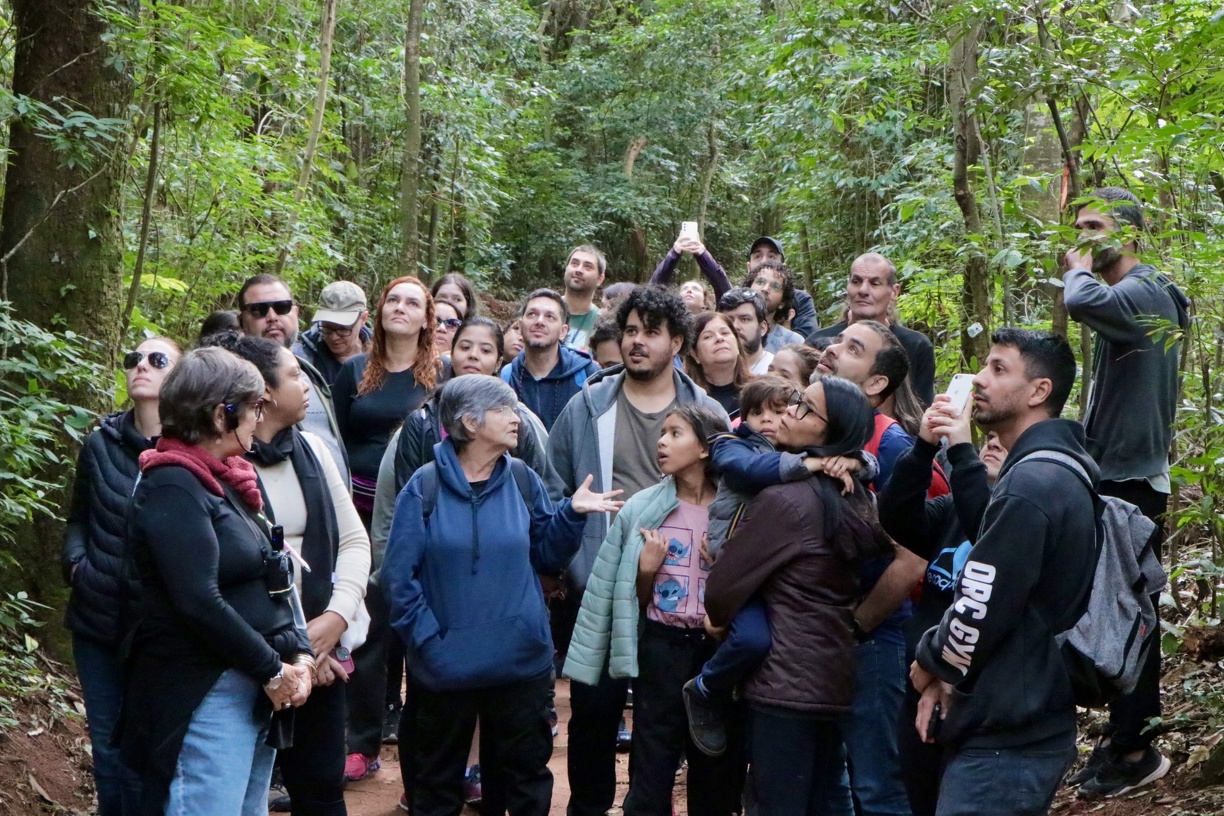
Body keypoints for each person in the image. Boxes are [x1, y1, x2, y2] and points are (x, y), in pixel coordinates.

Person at [383, 376, 623, 816]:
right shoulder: (424, 486)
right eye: (504, 410)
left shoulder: (523, 478)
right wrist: (430, 642)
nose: (517, 419)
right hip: (445, 666)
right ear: (470, 423)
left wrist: (571, 514)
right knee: (435, 785)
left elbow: (547, 554)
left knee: (524, 782)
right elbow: (399, 580)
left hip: (520, 662)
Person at [548, 285, 728, 816]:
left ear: (677, 343)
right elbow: (556, 487)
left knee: (671, 723)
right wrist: (571, 564)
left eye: (651, 332)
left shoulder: (706, 411)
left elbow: (733, 492)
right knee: (594, 714)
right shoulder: (587, 406)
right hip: (604, 587)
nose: (636, 341)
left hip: (685, 602)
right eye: (629, 331)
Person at [911, 329, 1097, 816]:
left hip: (1010, 737)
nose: (979, 379)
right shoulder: (1055, 469)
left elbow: (981, 602)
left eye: (998, 369)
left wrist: (930, 661)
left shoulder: (1032, 485)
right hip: (1018, 716)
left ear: (1039, 391)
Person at [120, 347, 314, 815]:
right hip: (206, 690)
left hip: (252, 684)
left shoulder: (226, 478)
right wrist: (272, 670)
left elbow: (273, 573)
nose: (259, 417)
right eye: (254, 406)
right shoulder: (173, 484)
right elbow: (197, 600)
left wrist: (300, 654)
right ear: (218, 415)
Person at [704, 376, 894, 816]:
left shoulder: (786, 501)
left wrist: (723, 617)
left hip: (783, 681)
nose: (789, 411)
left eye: (804, 407)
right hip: (834, 675)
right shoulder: (857, 496)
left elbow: (722, 587)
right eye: (796, 401)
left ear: (830, 432)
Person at [208, 333, 372, 816]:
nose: (307, 386)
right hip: (252, 655)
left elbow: (354, 540)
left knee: (321, 787)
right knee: (243, 791)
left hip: (320, 650)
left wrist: (335, 622)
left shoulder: (314, 449)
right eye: (295, 375)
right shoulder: (219, 463)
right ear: (264, 391)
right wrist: (295, 646)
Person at [1062, 188, 1190, 798]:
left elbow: (1080, 298)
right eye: (1080, 227)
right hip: (1117, 473)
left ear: (1131, 233)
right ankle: (1123, 736)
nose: (1084, 238)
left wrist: (1078, 270)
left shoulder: (1146, 290)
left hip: (1132, 481)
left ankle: (1137, 747)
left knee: (1130, 613)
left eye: (1095, 226)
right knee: (1117, 610)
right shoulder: (1138, 294)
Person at [564, 405, 747, 816]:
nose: (661, 441)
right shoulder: (643, 507)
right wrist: (645, 571)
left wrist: (722, 566)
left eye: (675, 433)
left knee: (715, 760)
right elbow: (628, 598)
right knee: (653, 753)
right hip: (662, 646)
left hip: (716, 650)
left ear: (705, 448)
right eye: (661, 432)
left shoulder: (734, 510)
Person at [680, 377, 873, 759]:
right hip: (735, 565)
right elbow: (755, 469)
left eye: (784, 407)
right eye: (757, 412)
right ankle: (704, 688)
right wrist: (812, 462)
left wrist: (854, 460)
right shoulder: (731, 445)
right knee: (752, 639)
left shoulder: (824, 479)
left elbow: (873, 467)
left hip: (799, 635)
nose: (774, 418)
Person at [815, 319, 938, 816]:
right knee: (828, 781)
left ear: (875, 383)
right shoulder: (811, 435)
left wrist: (857, 625)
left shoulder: (891, 447)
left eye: (852, 349)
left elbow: (914, 558)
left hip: (871, 640)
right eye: (837, 340)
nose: (831, 350)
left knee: (877, 783)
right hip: (815, 638)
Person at [63, 337, 182, 816]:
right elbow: (78, 518)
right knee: (108, 752)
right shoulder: (100, 443)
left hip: (161, 632)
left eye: (157, 360)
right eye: (134, 359)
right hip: (98, 621)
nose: (141, 366)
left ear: (180, 376)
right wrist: (77, 565)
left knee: (151, 753)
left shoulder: (190, 448)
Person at [331, 275, 441, 782]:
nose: (400, 307)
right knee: (367, 624)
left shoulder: (439, 375)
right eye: (392, 299)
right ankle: (361, 742)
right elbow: (334, 440)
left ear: (427, 318)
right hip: (357, 510)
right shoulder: (354, 371)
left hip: (416, 512)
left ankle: (425, 747)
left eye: (412, 302)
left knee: (417, 624)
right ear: (377, 313)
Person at [878, 402, 1005, 816]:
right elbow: (896, 517)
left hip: (979, 699)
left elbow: (989, 534)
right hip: (918, 682)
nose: (992, 445)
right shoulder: (950, 508)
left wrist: (964, 455)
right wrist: (922, 449)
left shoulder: (1020, 518)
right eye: (988, 439)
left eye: (1005, 441)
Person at [237, 273, 348, 480]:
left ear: (295, 313)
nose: (272, 317)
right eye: (259, 310)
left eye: (282, 307)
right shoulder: (235, 384)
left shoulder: (310, 372)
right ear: (242, 320)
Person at [807, 253, 936, 406]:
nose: (863, 290)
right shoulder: (817, 342)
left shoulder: (917, 346)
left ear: (894, 291)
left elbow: (921, 409)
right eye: (856, 282)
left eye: (875, 283)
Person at [651, 232, 818, 339]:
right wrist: (679, 254)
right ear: (749, 268)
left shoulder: (800, 303)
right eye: (758, 257)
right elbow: (721, 283)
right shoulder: (734, 304)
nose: (766, 288)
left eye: (772, 257)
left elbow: (808, 342)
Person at [501, 288, 601, 431]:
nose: (539, 321)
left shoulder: (587, 374)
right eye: (532, 314)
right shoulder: (508, 375)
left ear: (563, 331)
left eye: (550, 317)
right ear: (521, 325)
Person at [293, 281, 372, 386]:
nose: (334, 337)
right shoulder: (303, 357)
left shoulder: (383, 352)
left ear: (363, 319)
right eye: (327, 327)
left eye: (343, 329)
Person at [683, 311, 753, 421]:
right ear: (694, 354)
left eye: (725, 333)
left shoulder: (758, 391)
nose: (719, 338)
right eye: (708, 337)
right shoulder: (686, 396)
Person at [744, 261, 806, 351]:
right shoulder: (729, 329)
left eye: (775, 286)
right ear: (748, 287)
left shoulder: (794, 342)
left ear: (782, 303)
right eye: (760, 282)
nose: (765, 289)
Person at [718, 287, 774, 375]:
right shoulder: (713, 371)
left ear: (763, 328)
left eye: (744, 319)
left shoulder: (775, 371)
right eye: (729, 320)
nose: (735, 326)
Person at [561, 245, 607, 351]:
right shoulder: (541, 311)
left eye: (587, 267)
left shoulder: (602, 324)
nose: (579, 270)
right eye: (574, 264)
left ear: (600, 279)